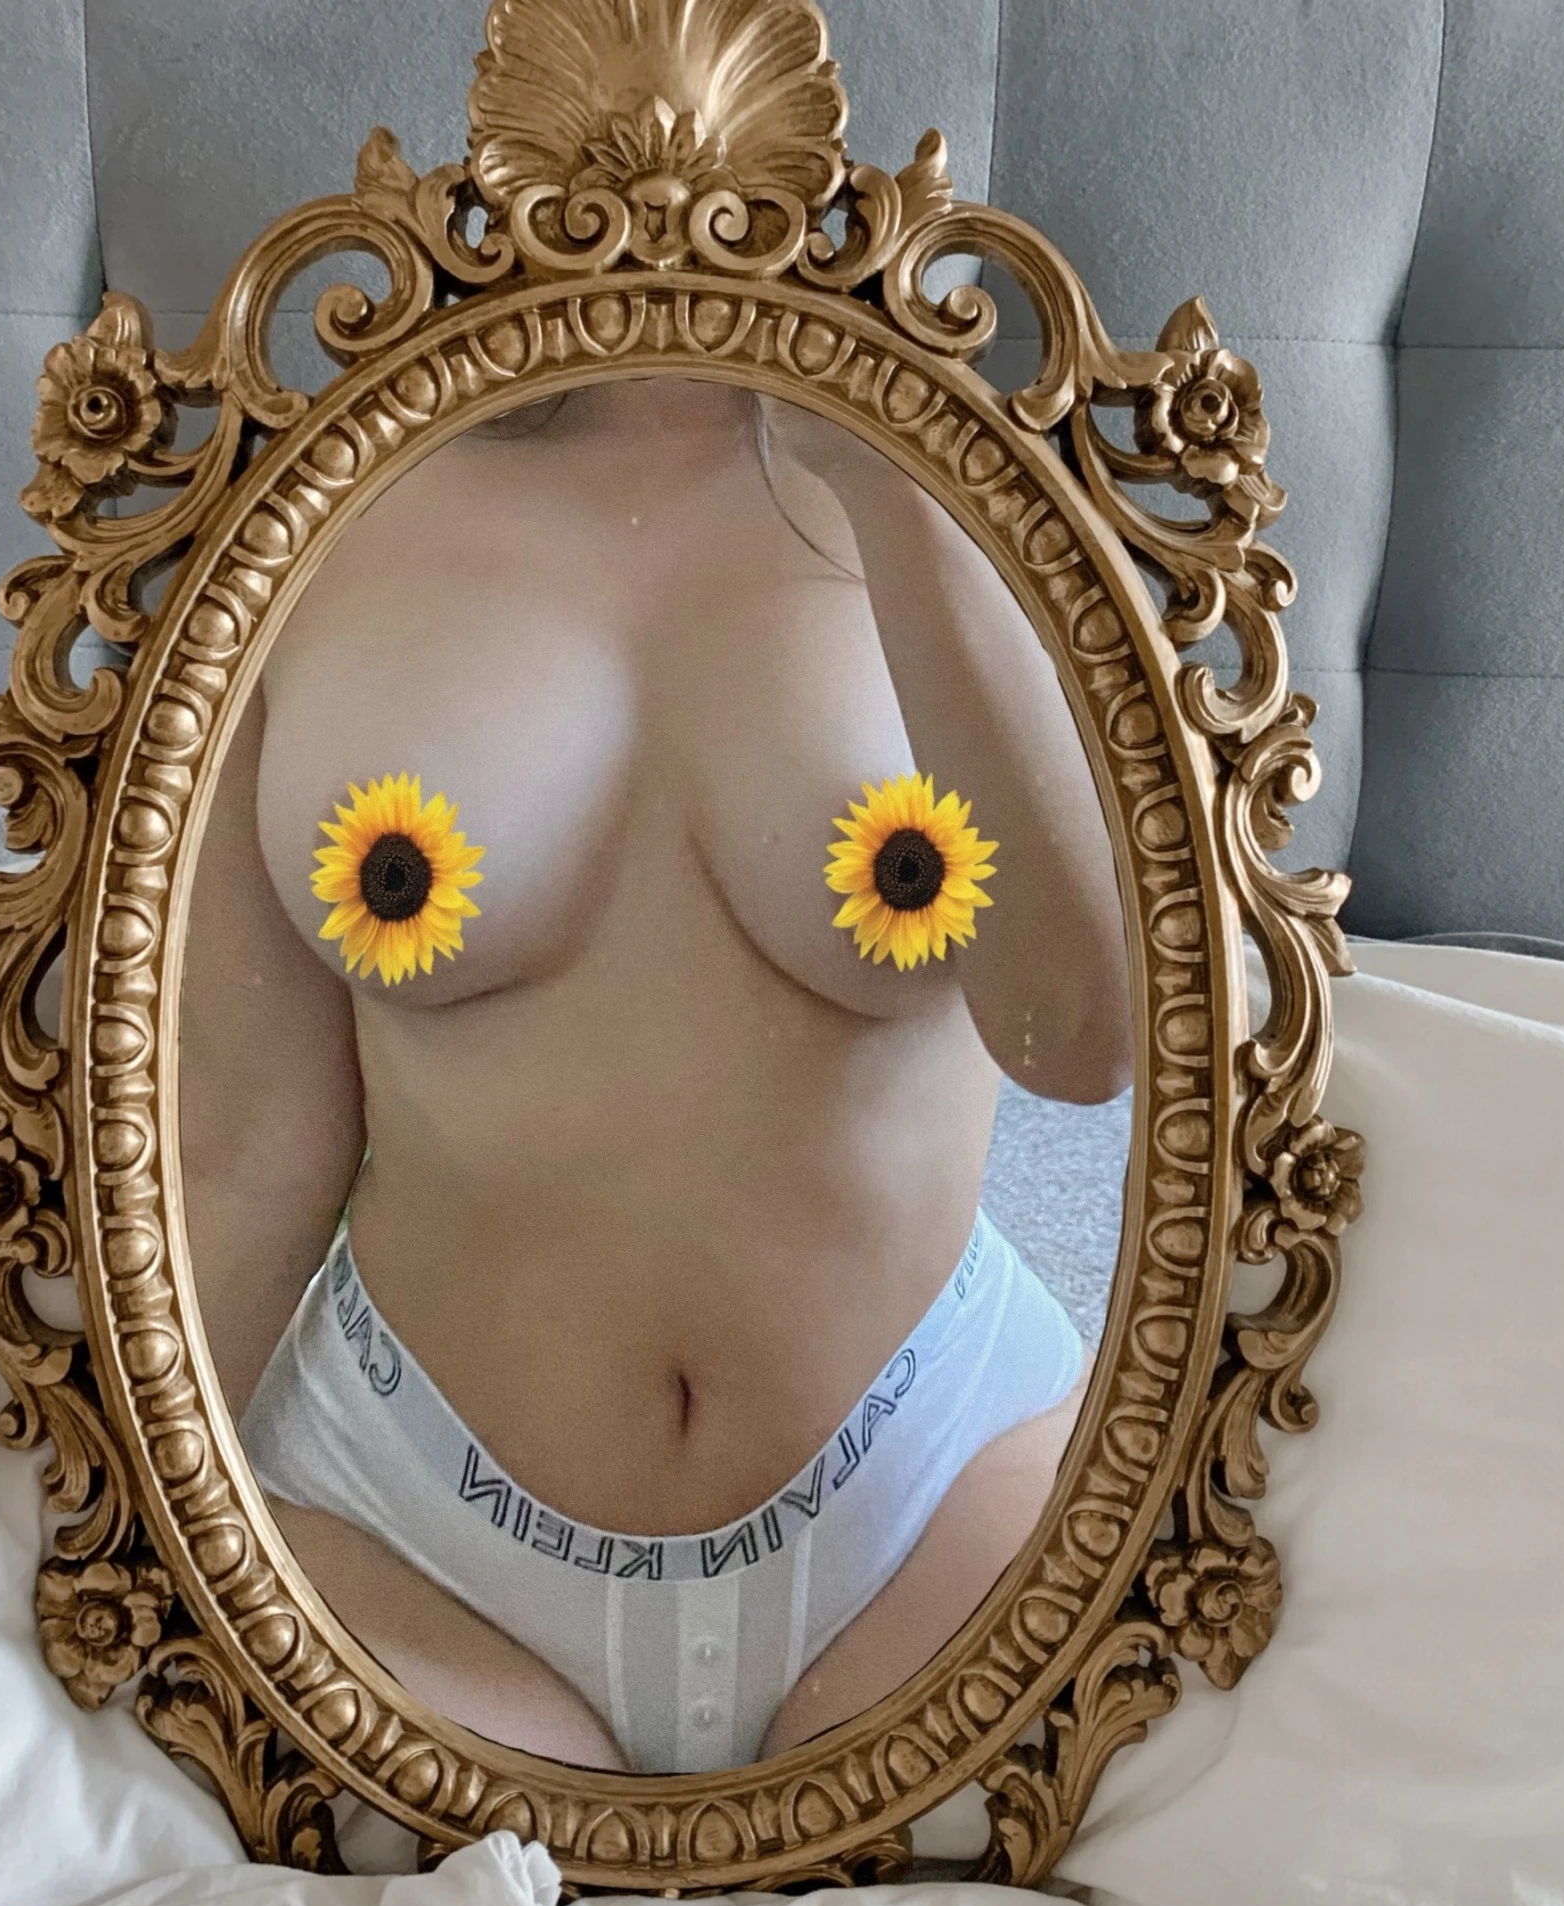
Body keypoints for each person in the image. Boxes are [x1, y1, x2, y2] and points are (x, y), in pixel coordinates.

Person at [179, 377, 1129, 1771]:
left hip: (941, 1502)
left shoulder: (1006, 509)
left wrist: (904, 483)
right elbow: (247, 1147)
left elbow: (1087, 1036)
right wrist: (108, 1521)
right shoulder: (313, 510)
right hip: (397, 1526)